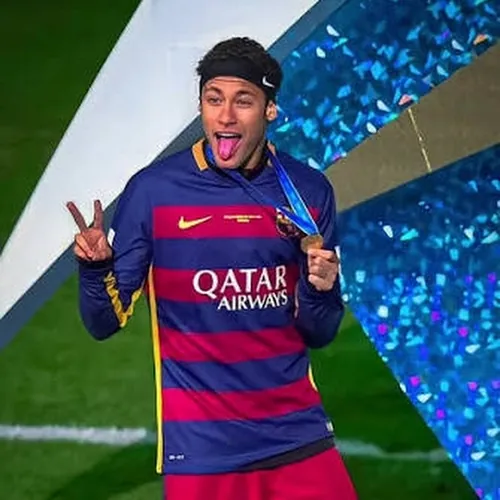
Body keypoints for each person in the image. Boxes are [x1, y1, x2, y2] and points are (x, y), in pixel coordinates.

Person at [67, 37, 357, 500]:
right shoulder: (153, 192)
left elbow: (319, 332)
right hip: (204, 452)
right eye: (214, 99)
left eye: (243, 101)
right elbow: (103, 322)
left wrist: (320, 290)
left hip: (298, 437)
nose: (225, 116)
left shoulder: (308, 192)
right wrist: (94, 268)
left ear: (270, 110)